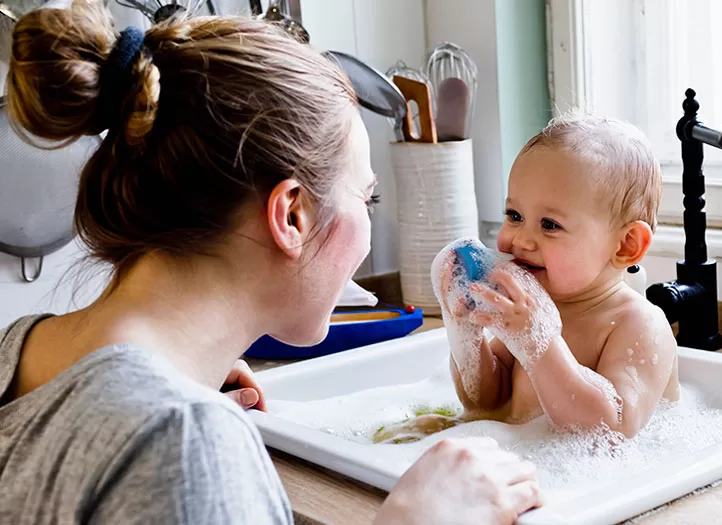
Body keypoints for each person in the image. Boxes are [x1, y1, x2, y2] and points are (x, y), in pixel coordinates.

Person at [0, 1, 541, 523]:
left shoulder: (21, 347)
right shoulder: (186, 442)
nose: (369, 220)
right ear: (292, 215)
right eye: (367, 197)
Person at [436, 113, 679, 439]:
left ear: (625, 245)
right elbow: (486, 402)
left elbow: (614, 430)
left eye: (550, 225)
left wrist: (540, 343)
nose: (521, 241)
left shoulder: (639, 324)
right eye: (515, 215)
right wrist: (467, 337)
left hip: (590, 468)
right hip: (530, 457)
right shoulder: (529, 310)